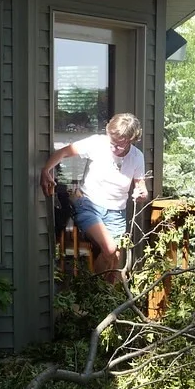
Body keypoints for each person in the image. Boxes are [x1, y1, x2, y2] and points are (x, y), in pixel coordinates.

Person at [41, 113, 148, 277]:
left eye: (119, 145)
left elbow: (141, 185)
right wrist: (46, 170)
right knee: (110, 249)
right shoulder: (98, 143)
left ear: (131, 140)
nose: (113, 148)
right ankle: (93, 289)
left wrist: (141, 193)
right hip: (89, 205)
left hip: (117, 212)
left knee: (114, 263)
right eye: (112, 142)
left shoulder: (136, 156)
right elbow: (64, 152)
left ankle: (102, 299)